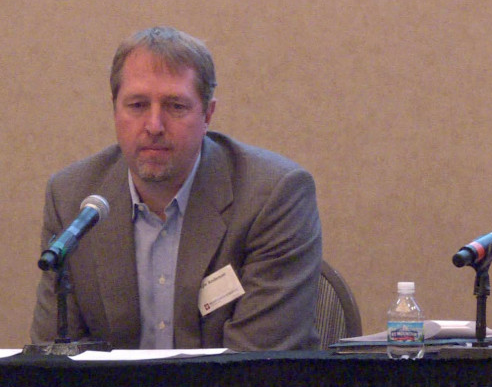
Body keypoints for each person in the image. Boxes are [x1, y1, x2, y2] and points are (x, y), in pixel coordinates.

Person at [30, 26, 322, 350]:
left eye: (176, 106)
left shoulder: (273, 196)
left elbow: (255, 364)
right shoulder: (72, 198)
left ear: (207, 114)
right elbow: (55, 357)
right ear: (115, 109)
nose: (154, 126)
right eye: (137, 105)